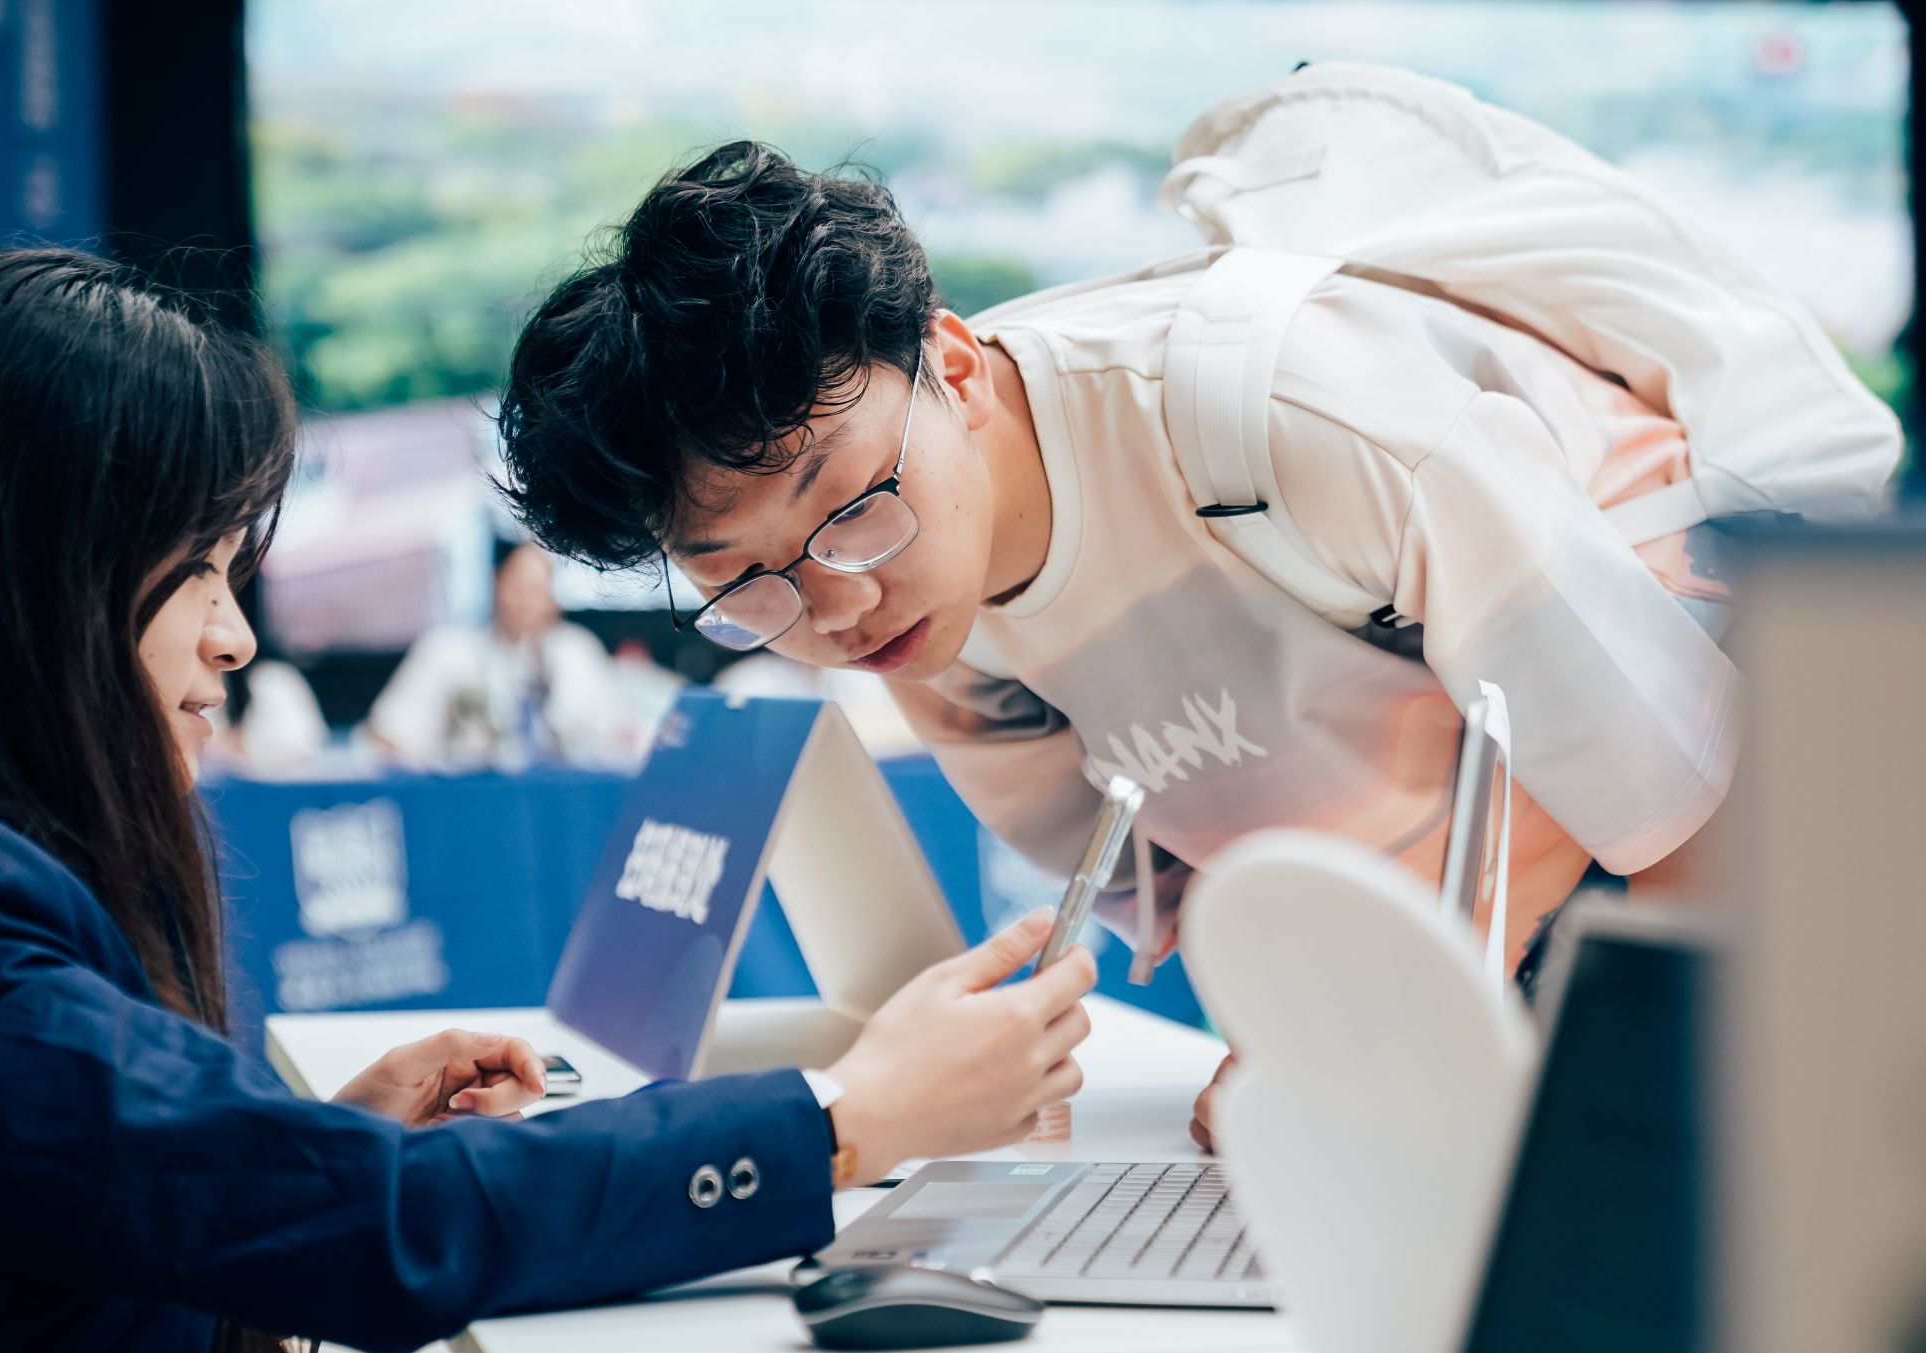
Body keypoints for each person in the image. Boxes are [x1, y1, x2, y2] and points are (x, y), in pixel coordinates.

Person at [490, 141, 1888, 1147]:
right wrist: (1296, 1054)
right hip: (1476, 907)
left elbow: (1692, 809)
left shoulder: (1296, 415)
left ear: (953, 365)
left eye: (849, 509)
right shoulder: (934, 636)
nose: (837, 609)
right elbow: (1203, 880)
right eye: (747, 585)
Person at [0, 248, 1096, 1353]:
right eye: (197, 567)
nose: (234, 638)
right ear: (33, 574)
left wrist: (313, 1151)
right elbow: (387, 1226)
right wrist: (847, 1119)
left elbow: (109, 1220)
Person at [368, 538, 628, 769]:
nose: (527, 602)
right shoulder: (448, 651)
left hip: (564, 799)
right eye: (518, 587)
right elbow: (389, 734)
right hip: (469, 798)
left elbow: (622, 736)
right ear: (496, 583)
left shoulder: (578, 653)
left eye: (538, 589)